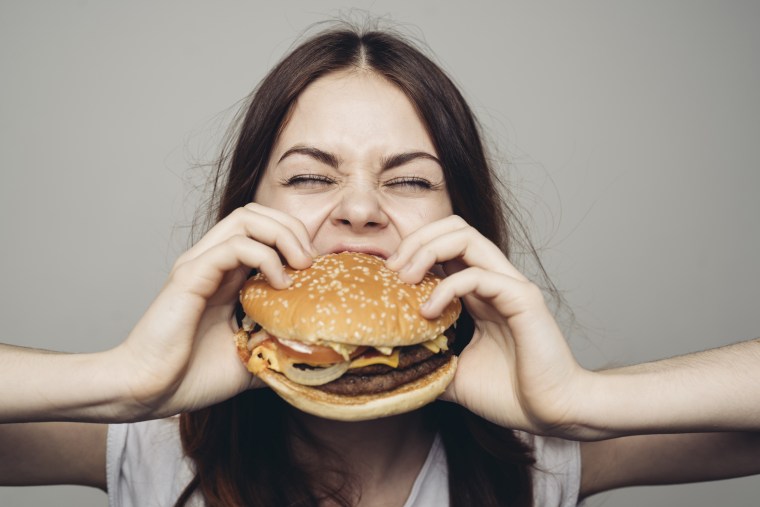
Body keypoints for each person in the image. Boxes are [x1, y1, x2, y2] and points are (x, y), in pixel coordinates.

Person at [1, 23, 759, 507]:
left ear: (465, 228)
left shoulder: (544, 457)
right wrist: (120, 381)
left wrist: (580, 402)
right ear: (241, 216)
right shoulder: (149, 441)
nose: (359, 208)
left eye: (409, 179)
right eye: (308, 175)